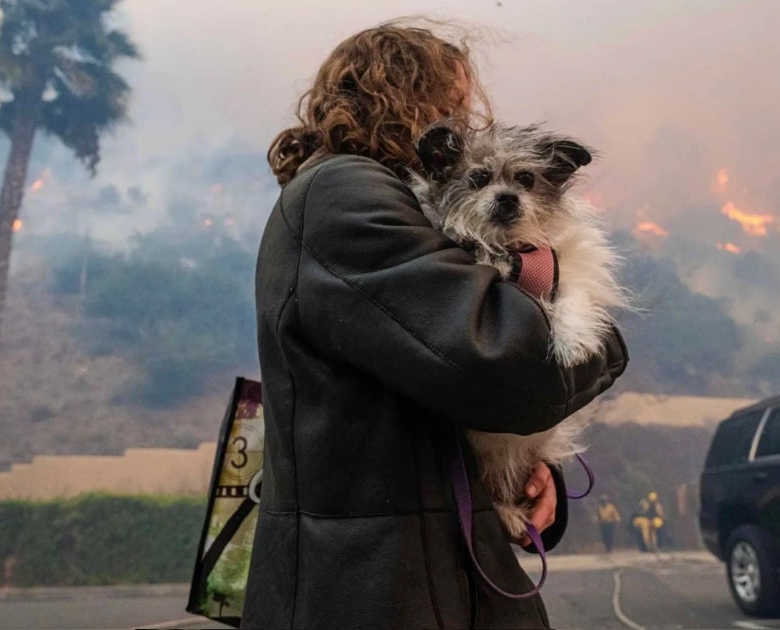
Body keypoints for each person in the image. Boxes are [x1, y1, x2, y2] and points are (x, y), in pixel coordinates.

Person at [242, 19, 628, 630]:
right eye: (456, 101)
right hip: (384, 586)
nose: (467, 120)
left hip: (411, 569)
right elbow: (504, 366)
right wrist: (600, 339)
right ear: (408, 95)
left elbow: (435, 376)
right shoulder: (347, 192)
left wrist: (523, 474)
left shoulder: (373, 196)